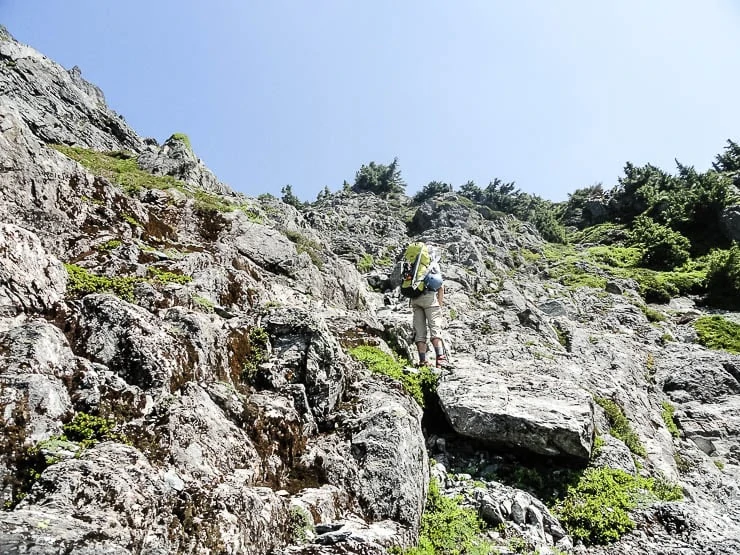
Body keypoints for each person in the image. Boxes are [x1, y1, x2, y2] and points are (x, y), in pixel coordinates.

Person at [409, 245, 451, 368]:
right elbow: (440, 286)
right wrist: (440, 304)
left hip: (415, 299)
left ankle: (422, 361)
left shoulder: (413, 265)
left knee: (420, 332)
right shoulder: (433, 265)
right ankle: (440, 359)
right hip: (429, 298)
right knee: (435, 329)